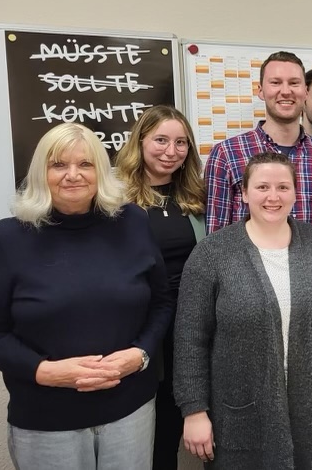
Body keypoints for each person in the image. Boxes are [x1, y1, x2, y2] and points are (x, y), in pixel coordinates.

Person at [0, 122, 172, 470]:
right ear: (41, 172)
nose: (73, 175)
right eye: (58, 165)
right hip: (46, 421)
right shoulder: (8, 238)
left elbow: (161, 302)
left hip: (130, 413)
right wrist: (45, 372)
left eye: (85, 164)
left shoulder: (133, 222)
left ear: (101, 171)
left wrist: (140, 355)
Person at [174, 152, 312, 469]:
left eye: (283, 187)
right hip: (240, 414)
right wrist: (194, 410)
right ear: (244, 193)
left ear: (295, 192)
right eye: (262, 187)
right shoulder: (211, 254)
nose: (273, 197)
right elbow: (190, 340)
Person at [115, 105, 206, 469]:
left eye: (181, 143)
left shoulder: (197, 196)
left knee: (173, 420)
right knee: (142, 430)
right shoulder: (114, 198)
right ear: (140, 142)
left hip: (191, 324)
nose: (171, 151)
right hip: (141, 325)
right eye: (161, 140)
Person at [204, 51, 312, 234]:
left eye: (294, 83)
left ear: (305, 92)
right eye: (276, 82)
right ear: (261, 91)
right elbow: (216, 239)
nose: (285, 91)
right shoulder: (227, 154)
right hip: (248, 254)